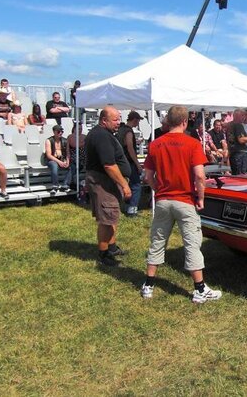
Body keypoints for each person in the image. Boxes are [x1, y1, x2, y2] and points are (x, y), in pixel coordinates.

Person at [140, 105, 222, 303]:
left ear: (168, 121)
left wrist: (157, 189)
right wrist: (201, 198)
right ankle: (199, 289)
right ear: (185, 122)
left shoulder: (156, 144)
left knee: (158, 241)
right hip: (185, 200)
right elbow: (200, 176)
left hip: (163, 200)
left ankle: (149, 284)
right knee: (192, 244)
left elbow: (147, 175)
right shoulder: (192, 144)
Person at [85, 106, 131, 266]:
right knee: (106, 218)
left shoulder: (103, 134)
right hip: (103, 181)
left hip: (106, 181)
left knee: (111, 215)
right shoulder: (101, 136)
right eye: (115, 119)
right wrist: (124, 185)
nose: (119, 122)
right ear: (104, 120)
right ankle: (104, 255)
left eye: (119, 118)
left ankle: (111, 248)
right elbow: (109, 165)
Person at [116, 111, 143, 217]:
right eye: (138, 120)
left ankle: (126, 207)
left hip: (121, 162)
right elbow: (130, 149)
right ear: (135, 120)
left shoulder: (121, 129)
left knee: (125, 185)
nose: (138, 123)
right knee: (136, 186)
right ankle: (132, 209)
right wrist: (137, 164)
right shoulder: (129, 132)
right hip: (129, 162)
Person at [226, 108, 247, 175]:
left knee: (237, 174)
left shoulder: (230, 125)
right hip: (239, 155)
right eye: (242, 115)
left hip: (234, 153)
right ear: (237, 116)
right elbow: (241, 140)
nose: (243, 117)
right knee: (242, 176)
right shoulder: (238, 125)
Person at [45, 125, 71, 194]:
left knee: (72, 166)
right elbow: (49, 155)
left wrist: (67, 161)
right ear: (54, 132)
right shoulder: (49, 140)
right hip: (52, 160)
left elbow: (68, 153)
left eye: (62, 131)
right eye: (59, 131)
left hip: (62, 159)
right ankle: (55, 186)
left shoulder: (65, 140)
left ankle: (65, 185)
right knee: (54, 165)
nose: (60, 133)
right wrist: (59, 162)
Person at [67, 122, 86, 188]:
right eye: (78, 128)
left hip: (83, 157)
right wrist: (67, 159)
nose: (80, 130)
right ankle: (69, 183)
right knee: (73, 166)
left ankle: (69, 183)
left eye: (81, 128)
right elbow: (70, 148)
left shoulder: (84, 136)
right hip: (73, 157)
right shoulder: (70, 137)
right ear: (74, 129)